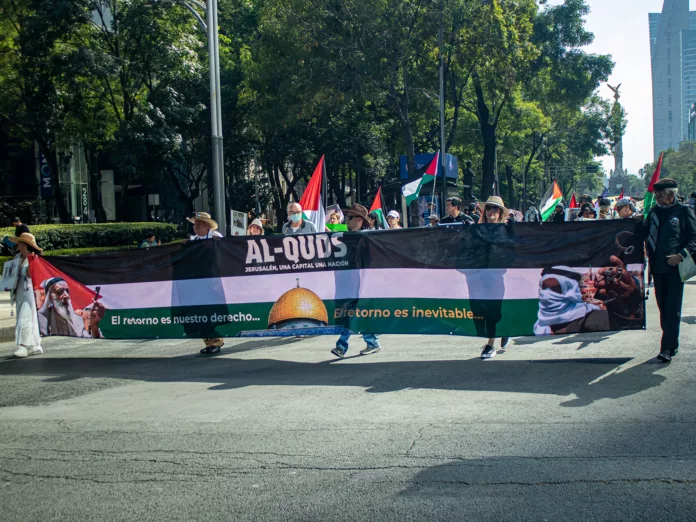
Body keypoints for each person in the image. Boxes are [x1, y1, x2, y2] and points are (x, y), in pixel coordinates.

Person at [644, 178, 696, 363]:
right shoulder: (653, 213)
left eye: (660, 195)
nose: (657, 198)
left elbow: (694, 238)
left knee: (672, 308)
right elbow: (643, 233)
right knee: (663, 308)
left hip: (675, 269)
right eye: (656, 195)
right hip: (657, 269)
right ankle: (669, 342)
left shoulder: (683, 211)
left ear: (671, 195)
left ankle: (668, 347)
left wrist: (681, 255)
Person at [331, 204, 381, 358]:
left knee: (354, 312)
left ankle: (342, 345)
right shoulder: (343, 237)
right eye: (347, 217)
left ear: (359, 220)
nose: (347, 220)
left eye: (350, 217)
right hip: (347, 281)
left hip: (360, 281)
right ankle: (371, 342)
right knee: (352, 312)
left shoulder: (366, 238)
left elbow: (370, 262)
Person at [475, 196, 512, 359]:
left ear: (500, 213)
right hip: (478, 277)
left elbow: (515, 252)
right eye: (489, 208)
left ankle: (490, 345)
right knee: (480, 310)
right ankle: (504, 330)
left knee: (492, 309)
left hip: (497, 276)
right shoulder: (477, 231)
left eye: (495, 209)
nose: (492, 211)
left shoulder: (506, 230)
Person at [186, 212, 225, 353]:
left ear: (207, 226)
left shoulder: (216, 238)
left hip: (212, 280)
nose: (196, 228)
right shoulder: (193, 240)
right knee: (200, 313)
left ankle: (216, 341)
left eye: (199, 225)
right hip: (198, 282)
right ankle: (209, 342)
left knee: (210, 312)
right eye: (195, 225)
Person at [7, 233, 42, 358]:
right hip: (19, 290)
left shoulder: (33, 258)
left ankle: (23, 346)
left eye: (20, 242)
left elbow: (32, 276)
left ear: (25, 244)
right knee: (28, 317)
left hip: (30, 291)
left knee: (25, 316)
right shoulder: (17, 257)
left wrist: (31, 263)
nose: (18, 244)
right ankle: (34, 345)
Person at [38, 277, 105, 338]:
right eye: (60, 292)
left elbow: (87, 341)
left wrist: (94, 324)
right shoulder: (42, 317)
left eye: (67, 291)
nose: (66, 295)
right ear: (50, 296)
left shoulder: (77, 318)